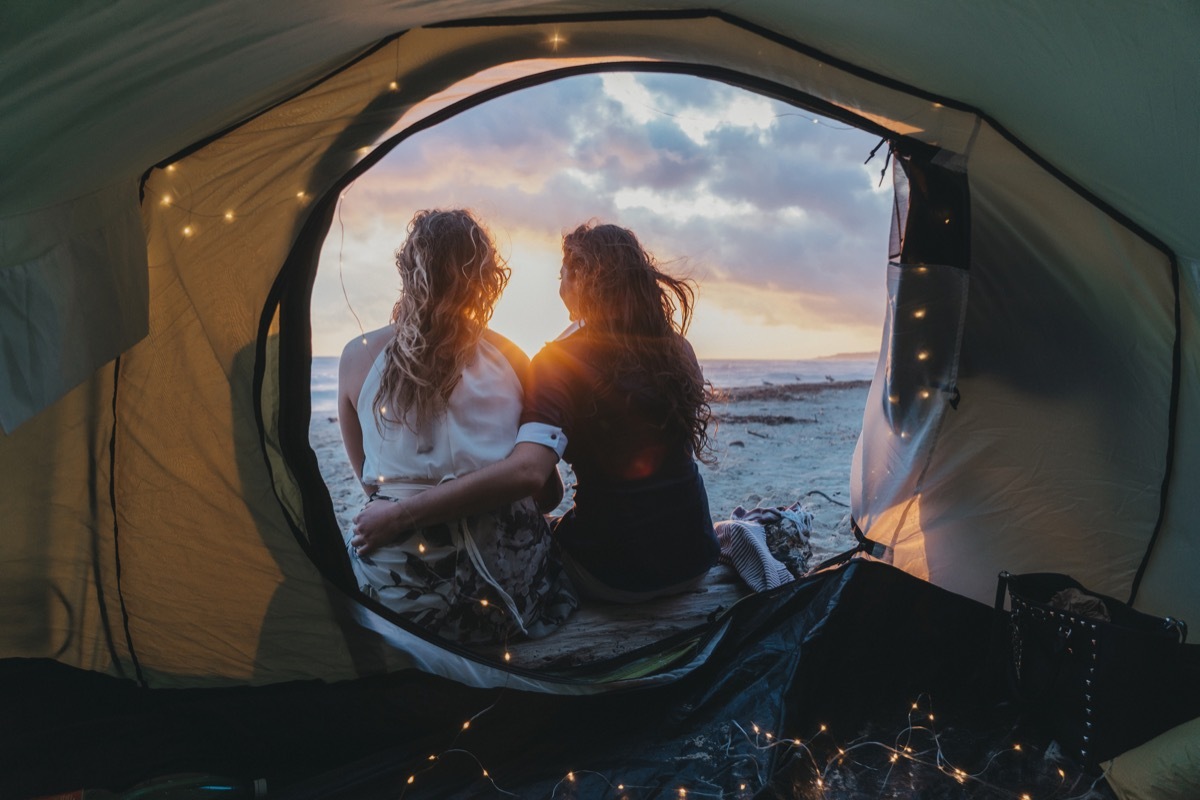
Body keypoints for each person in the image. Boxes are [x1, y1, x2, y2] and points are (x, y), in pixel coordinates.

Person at [354, 221, 720, 603]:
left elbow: (529, 473)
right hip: (696, 555)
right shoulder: (678, 348)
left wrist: (398, 516)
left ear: (580, 279)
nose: (560, 287)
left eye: (561, 276)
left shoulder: (560, 360)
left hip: (619, 576)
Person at [338, 209, 577, 643]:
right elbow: (549, 494)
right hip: (506, 600)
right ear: (485, 278)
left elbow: (371, 486)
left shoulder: (355, 356)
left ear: (408, 271)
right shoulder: (512, 356)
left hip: (403, 600)